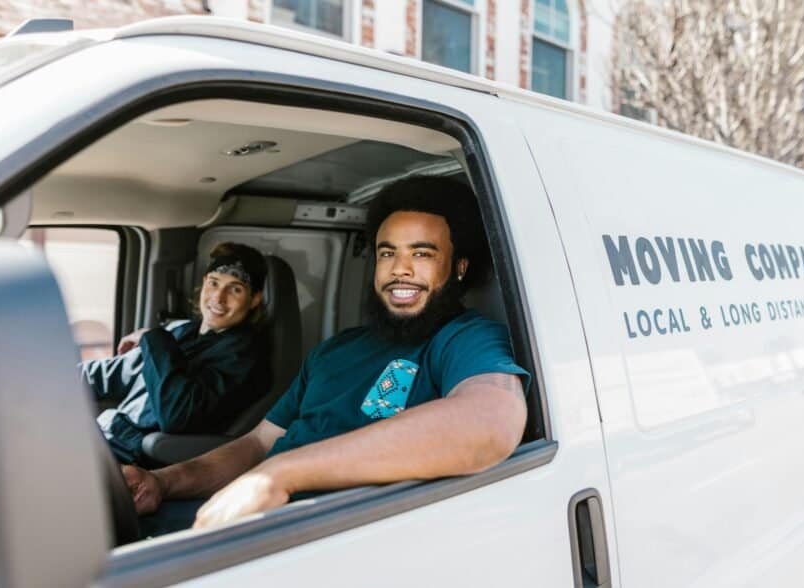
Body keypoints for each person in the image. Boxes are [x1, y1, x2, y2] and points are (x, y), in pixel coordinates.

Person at [123, 176, 529, 533]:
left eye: (421, 254)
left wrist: (280, 476)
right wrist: (163, 483)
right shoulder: (335, 349)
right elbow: (257, 446)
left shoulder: (463, 338)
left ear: (458, 268)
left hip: (317, 534)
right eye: (388, 253)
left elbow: (492, 421)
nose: (399, 269)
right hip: (241, 515)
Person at [85, 242, 271, 466]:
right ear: (203, 283)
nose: (218, 297)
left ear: (255, 299)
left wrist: (152, 338)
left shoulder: (243, 357)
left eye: (235, 289)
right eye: (214, 283)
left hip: (133, 457)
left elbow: (177, 415)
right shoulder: (181, 331)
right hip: (102, 435)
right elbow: (109, 375)